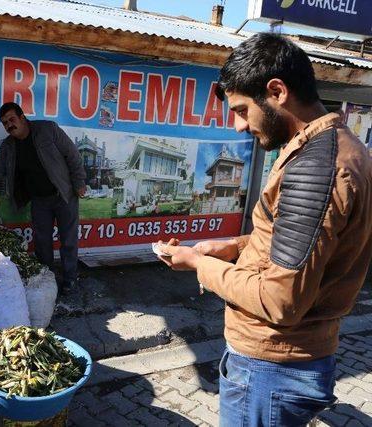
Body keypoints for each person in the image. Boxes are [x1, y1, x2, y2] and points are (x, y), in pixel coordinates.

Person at [157, 33, 372, 426]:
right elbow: (295, 240)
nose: (239, 126)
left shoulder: (316, 170)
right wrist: (233, 247)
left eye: (241, 109)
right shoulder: (335, 147)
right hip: (282, 365)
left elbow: (279, 300)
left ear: (277, 91)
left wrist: (196, 264)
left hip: (270, 367)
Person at [0, 102, 87, 293]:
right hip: (39, 200)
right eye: (5, 123)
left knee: (68, 240)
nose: (9, 125)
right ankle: (48, 279)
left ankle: (70, 279)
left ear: (22, 117)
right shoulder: (8, 146)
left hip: (64, 194)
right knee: (42, 242)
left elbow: (73, 155)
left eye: (12, 119)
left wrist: (79, 183)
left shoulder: (48, 129)